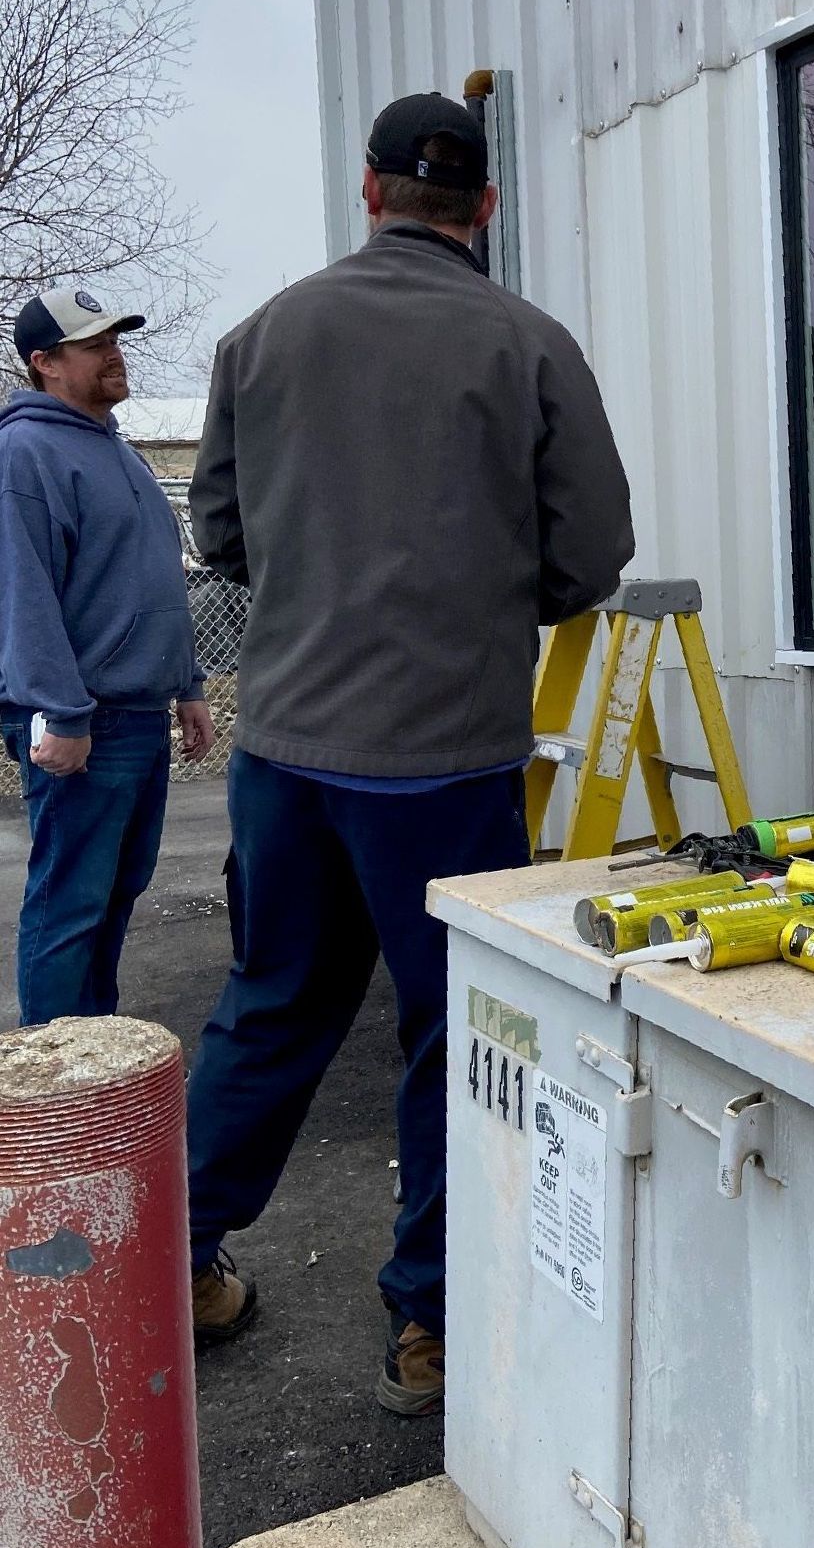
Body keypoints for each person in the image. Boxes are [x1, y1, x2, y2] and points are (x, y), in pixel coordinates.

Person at [184, 92, 634, 1412]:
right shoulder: (528, 343)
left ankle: (168, 1263)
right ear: (483, 208)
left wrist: (318, 585)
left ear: (371, 192)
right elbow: (589, 554)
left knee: (271, 1008)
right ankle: (429, 1326)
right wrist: (491, 600)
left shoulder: (259, 340)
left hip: (286, 753)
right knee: (458, 1034)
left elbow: (219, 533)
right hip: (443, 765)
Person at [0, 288, 215, 1027]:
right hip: (80, 718)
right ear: (45, 363)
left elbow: (148, 577)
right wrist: (60, 711)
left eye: (115, 338)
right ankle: (51, 1081)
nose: (113, 352)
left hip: (135, 710)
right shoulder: (24, 453)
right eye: (93, 344)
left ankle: (98, 1055)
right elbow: (23, 597)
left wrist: (188, 685)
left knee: (114, 892)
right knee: (70, 902)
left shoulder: (113, 449)